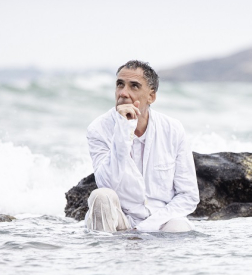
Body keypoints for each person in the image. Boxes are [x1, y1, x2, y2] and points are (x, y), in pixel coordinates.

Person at [84, 60, 199, 233]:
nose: (123, 93)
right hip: (118, 220)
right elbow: (106, 183)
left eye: (134, 86)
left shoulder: (173, 129)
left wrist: (144, 228)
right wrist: (124, 129)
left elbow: (188, 195)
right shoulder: (98, 129)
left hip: (160, 221)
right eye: (120, 85)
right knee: (100, 196)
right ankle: (106, 259)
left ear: (151, 96)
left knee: (179, 227)